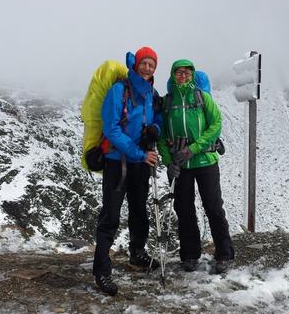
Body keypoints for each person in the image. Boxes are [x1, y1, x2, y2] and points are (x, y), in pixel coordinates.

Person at [93, 46, 162, 296]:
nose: (147, 68)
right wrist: (139, 153)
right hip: (117, 161)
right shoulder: (119, 90)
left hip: (140, 162)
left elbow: (157, 119)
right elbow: (111, 129)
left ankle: (137, 254)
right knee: (110, 215)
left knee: (138, 210)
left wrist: (156, 127)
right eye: (144, 63)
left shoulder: (151, 93)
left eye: (151, 64)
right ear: (136, 65)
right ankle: (101, 270)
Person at [157, 59, 235, 274]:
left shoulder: (202, 97)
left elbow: (215, 126)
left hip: (204, 162)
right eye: (179, 73)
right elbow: (162, 136)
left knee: (213, 207)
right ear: (173, 75)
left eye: (187, 73)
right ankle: (190, 255)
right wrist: (168, 161)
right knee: (184, 210)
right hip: (181, 165)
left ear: (192, 75)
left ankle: (224, 254)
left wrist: (193, 148)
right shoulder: (167, 102)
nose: (183, 76)